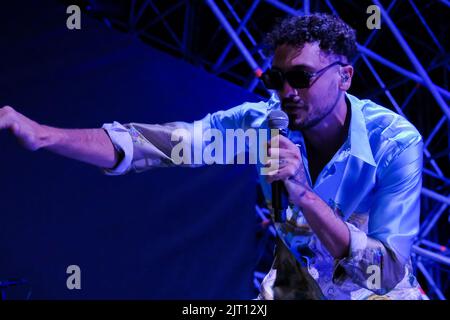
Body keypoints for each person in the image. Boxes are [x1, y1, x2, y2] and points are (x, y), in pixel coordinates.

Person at [0, 13, 427, 300]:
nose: (287, 92)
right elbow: (155, 146)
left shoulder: (394, 143)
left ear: (345, 77)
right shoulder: (259, 127)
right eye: (279, 79)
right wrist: (44, 136)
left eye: (301, 77)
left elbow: (383, 271)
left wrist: (303, 195)